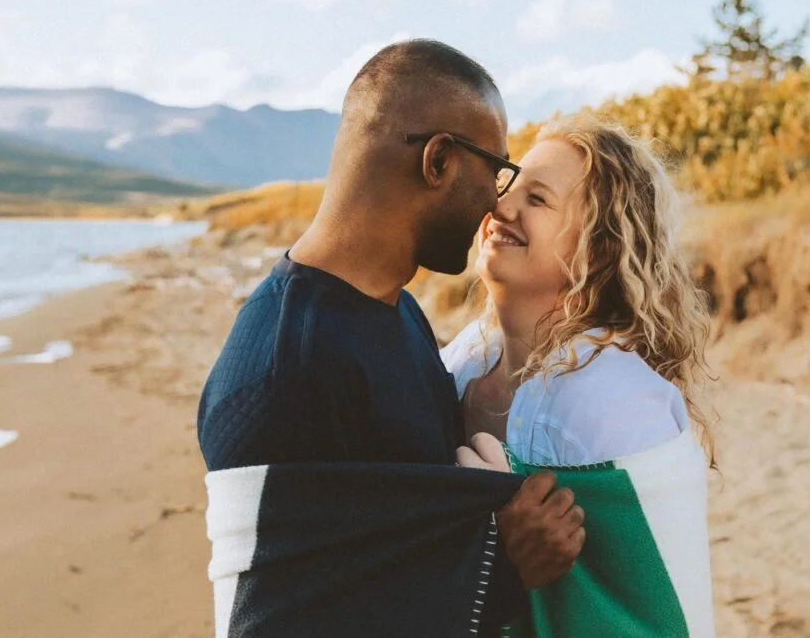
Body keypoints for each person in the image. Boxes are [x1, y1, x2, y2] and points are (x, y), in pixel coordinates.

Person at [196, 39, 584, 636]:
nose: (496, 204)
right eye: (498, 172)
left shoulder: (397, 311)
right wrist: (503, 567)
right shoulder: (283, 375)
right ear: (438, 161)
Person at [444, 115, 716, 635]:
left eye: (538, 200)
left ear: (597, 250)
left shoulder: (619, 401)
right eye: (509, 185)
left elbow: (656, 611)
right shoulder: (462, 360)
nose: (500, 207)